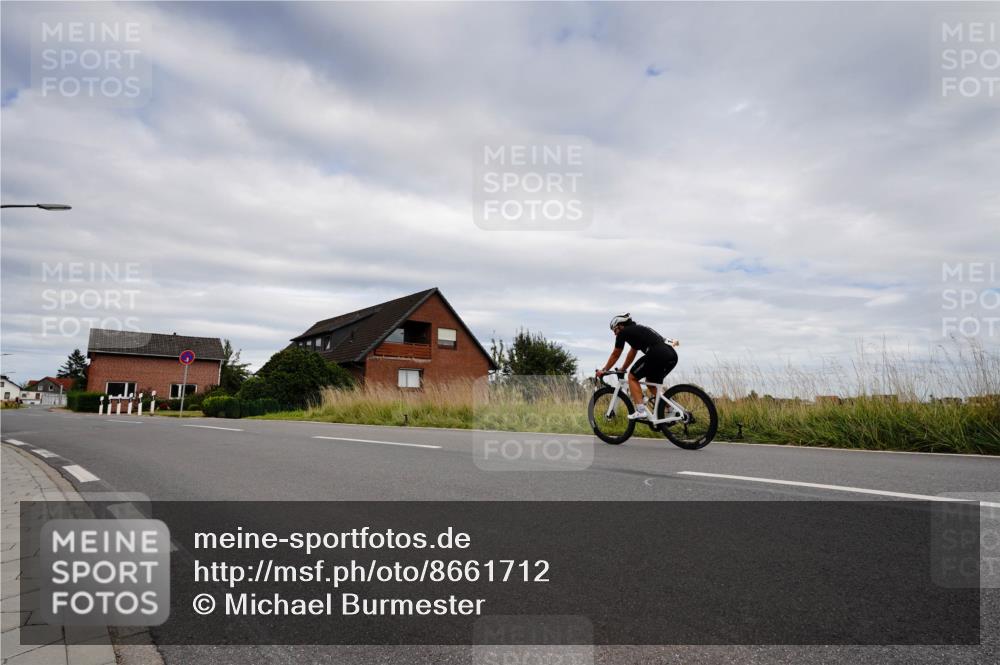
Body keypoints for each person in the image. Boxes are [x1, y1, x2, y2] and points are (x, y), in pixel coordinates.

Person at [597, 313, 679, 420]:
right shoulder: (637, 330)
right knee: (651, 384)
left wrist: (604, 370)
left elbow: (616, 353)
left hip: (656, 354)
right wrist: (623, 369)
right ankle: (671, 409)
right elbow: (632, 352)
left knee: (632, 377)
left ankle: (641, 411)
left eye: (615, 330)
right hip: (671, 354)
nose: (615, 334)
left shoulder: (624, 332)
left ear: (621, 325)